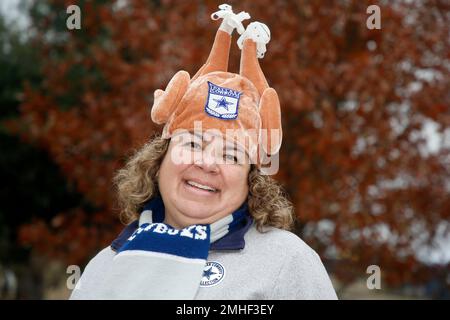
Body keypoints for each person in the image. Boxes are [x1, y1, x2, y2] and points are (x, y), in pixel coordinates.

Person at [69, 4, 337, 300]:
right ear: (159, 159)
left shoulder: (286, 262)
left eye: (232, 155)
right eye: (193, 144)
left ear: (251, 179)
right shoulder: (104, 267)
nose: (208, 163)